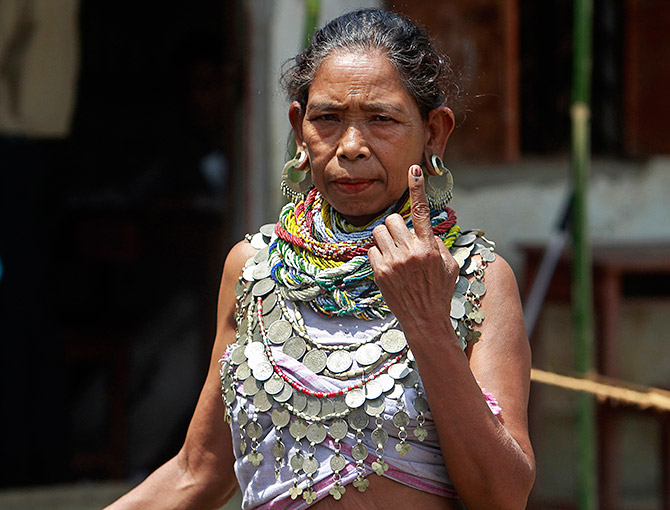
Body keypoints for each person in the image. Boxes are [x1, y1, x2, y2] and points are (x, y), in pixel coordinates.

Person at [106, 9, 535, 510]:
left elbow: (502, 496)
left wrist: (427, 322)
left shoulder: (475, 278)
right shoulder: (254, 269)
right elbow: (198, 473)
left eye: (382, 119)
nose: (351, 147)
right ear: (299, 128)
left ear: (434, 133)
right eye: (327, 119)